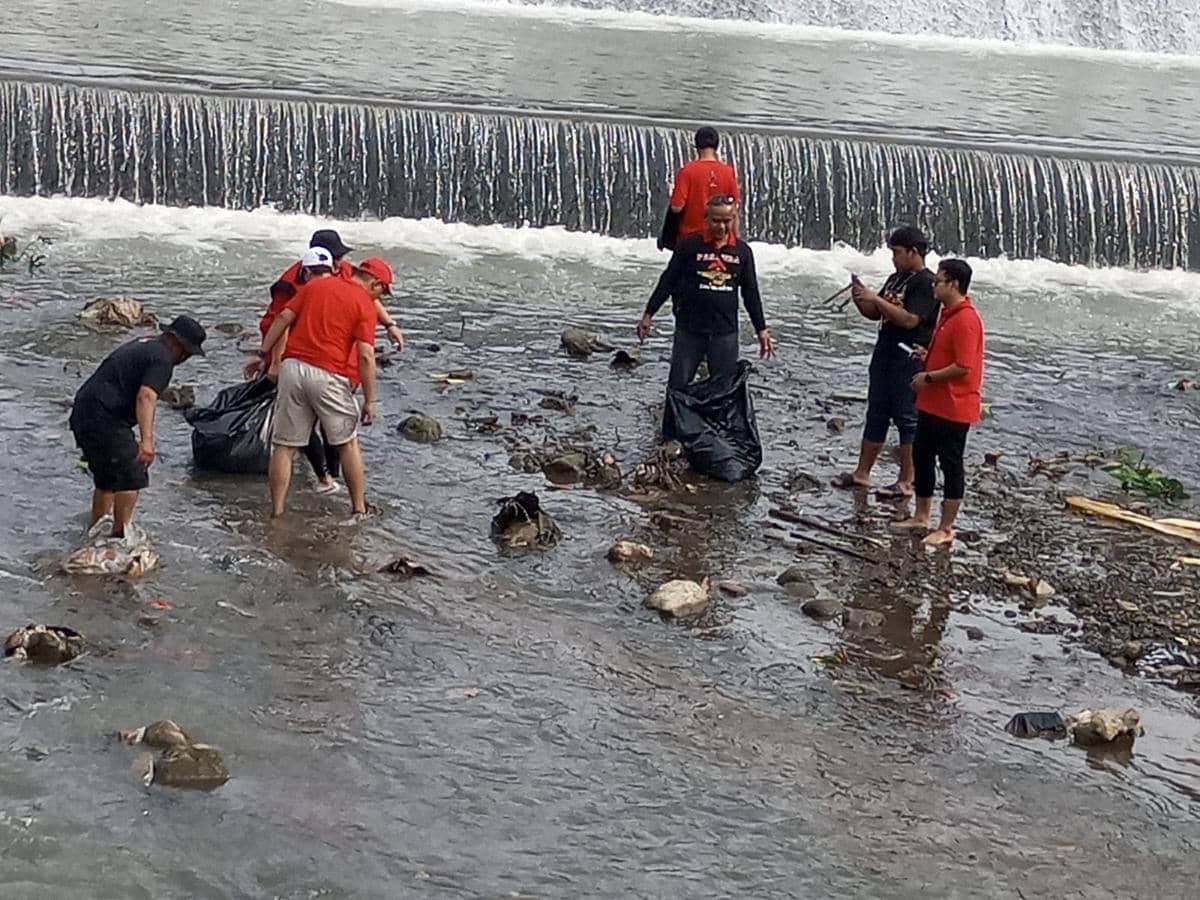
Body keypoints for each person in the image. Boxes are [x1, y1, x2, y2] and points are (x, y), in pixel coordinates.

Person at [257, 246, 381, 518]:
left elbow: (283, 318)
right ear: (375, 284)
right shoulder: (363, 304)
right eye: (382, 292)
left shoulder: (313, 288)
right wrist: (370, 399)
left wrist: (263, 353)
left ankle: (277, 512)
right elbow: (365, 356)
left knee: (285, 446)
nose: (380, 297)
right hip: (329, 374)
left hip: (292, 368)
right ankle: (359, 510)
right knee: (347, 443)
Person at [69, 316, 207, 538]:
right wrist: (147, 441)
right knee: (131, 475)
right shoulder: (162, 359)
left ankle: (95, 534)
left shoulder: (145, 345)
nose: (186, 358)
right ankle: (120, 536)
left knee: (107, 479)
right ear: (174, 340)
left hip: (85, 412)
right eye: (187, 351)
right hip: (105, 418)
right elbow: (146, 396)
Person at [830, 226, 939, 499]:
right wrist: (860, 297)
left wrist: (875, 298)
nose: (893, 258)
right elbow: (875, 313)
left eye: (897, 252)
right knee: (876, 412)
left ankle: (906, 480)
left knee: (906, 418)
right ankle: (862, 473)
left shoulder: (926, 282)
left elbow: (910, 319)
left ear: (914, 252)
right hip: (885, 352)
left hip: (909, 355)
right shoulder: (895, 278)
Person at [638, 194, 774, 397]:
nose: (721, 227)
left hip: (725, 332)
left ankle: (717, 428)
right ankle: (674, 426)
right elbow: (668, 281)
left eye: (726, 221)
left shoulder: (742, 252)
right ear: (706, 219)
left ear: (734, 219)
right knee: (678, 387)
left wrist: (761, 330)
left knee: (724, 391)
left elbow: (750, 292)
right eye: (716, 221)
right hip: (690, 330)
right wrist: (649, 313)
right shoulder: (689, 246)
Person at [893, 259, 985, 547]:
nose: (933, 284)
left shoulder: (966, 319)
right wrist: (926, 355)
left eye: (938, 281)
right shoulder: (949, 314)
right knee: (922, 457)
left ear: (954, 284)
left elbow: (964, 366)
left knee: (951, 464)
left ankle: (946, 528)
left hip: (954, 406)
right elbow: (950, 356)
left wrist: (928, 377)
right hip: (933, 403)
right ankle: (922, 516)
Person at [658, 126, 740, 251]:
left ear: (696, 147)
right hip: (719, 241)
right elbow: (733, 210)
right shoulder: (728, 172)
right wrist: (736, 241)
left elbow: (676, 207)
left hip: (689, 241)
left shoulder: (687, 171)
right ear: (717, 146)